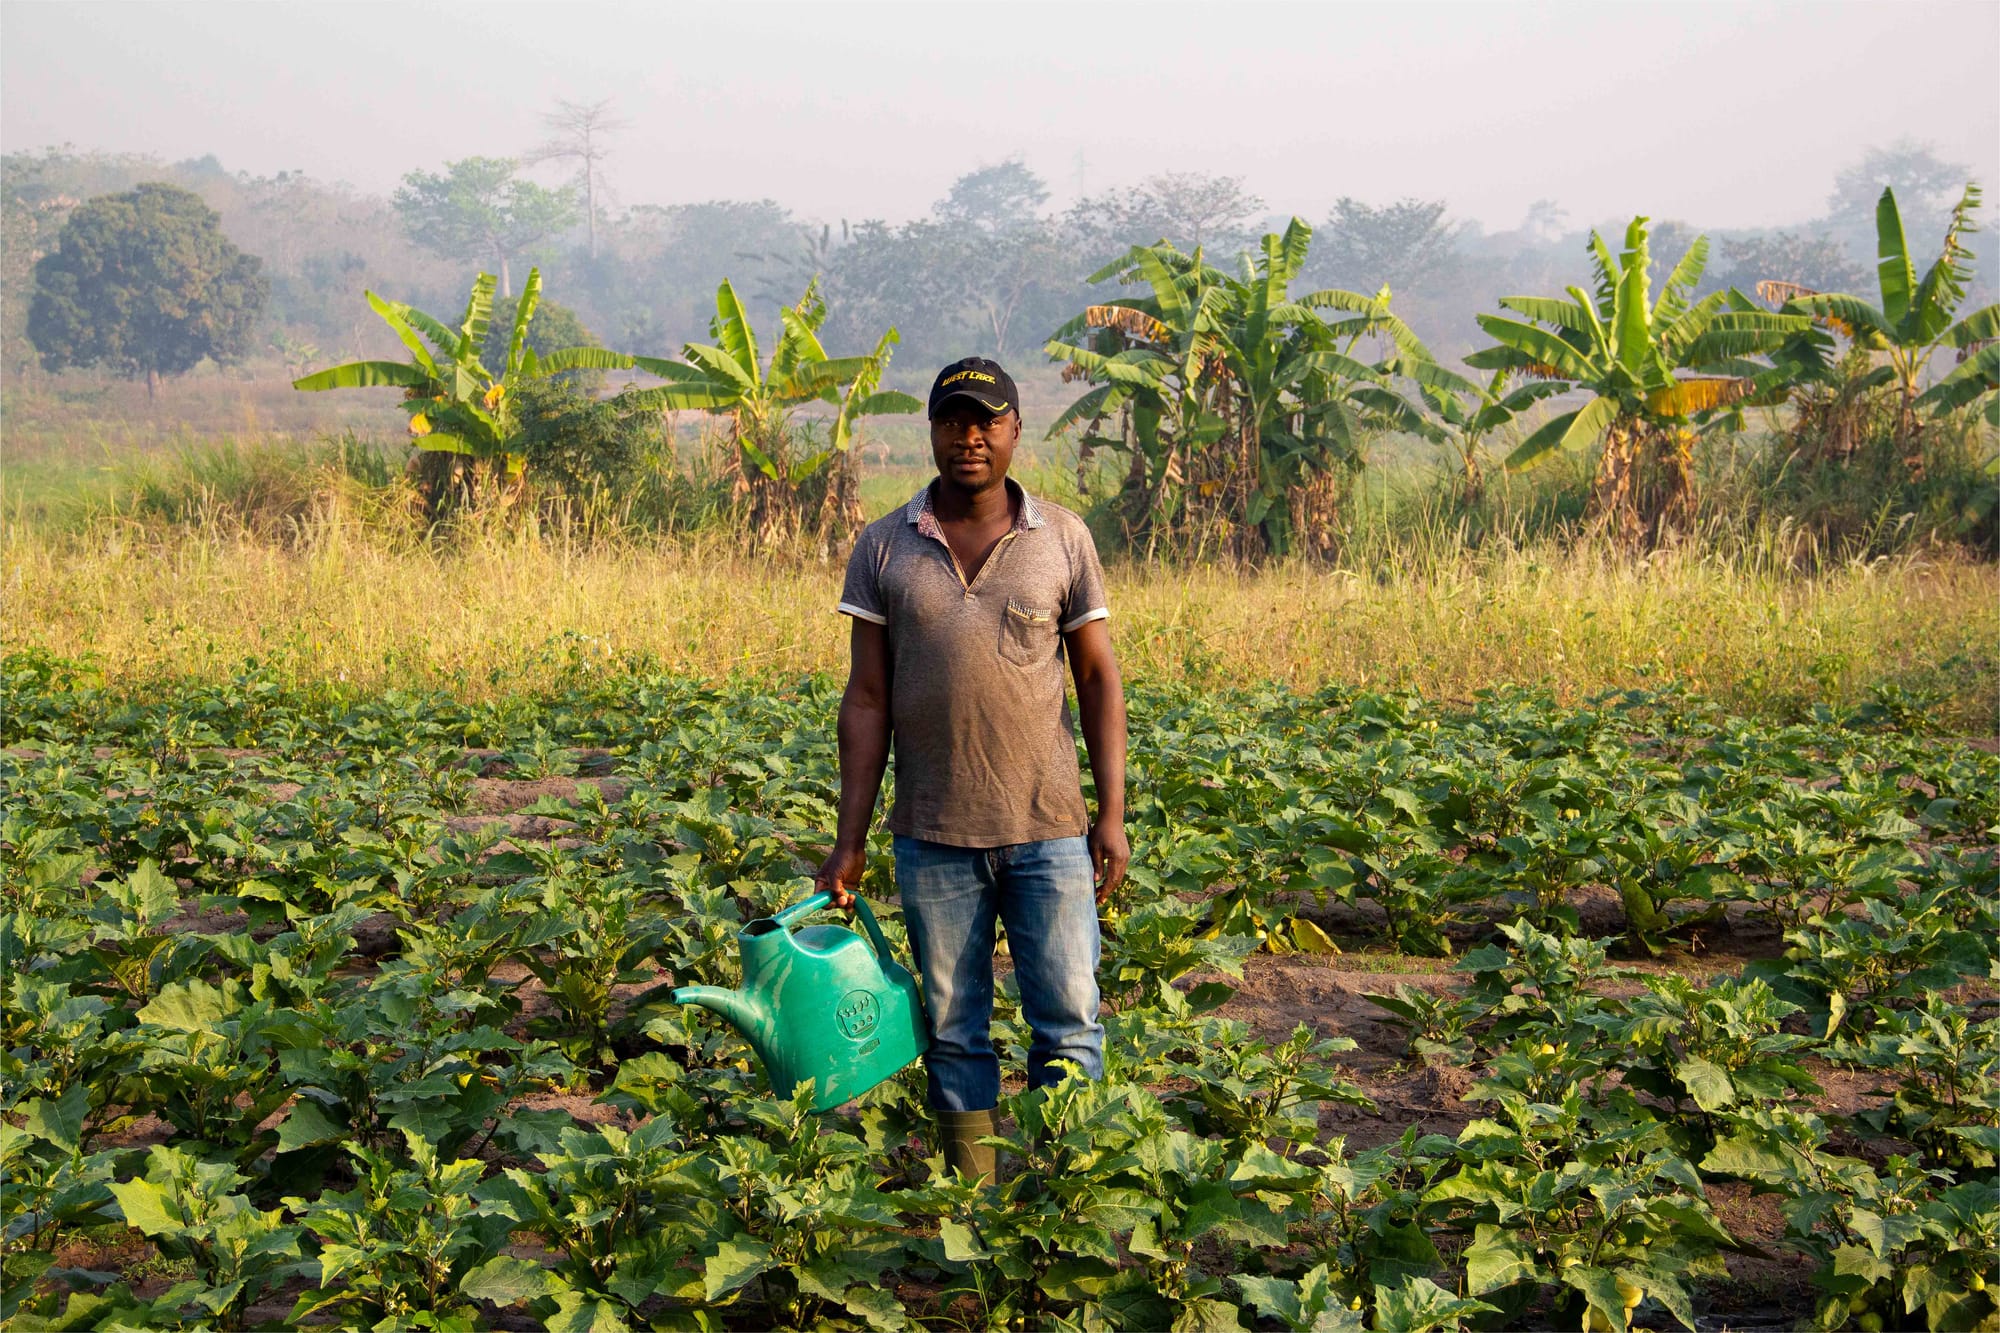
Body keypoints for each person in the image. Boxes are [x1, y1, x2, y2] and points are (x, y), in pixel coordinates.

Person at [814, 356, 1130, 1183]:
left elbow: (1097, 677)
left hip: (1049, 831)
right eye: (955, 420)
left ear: (1016, 430)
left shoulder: (1061, 539)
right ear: (932, 430)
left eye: (988, 420)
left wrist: (1112, 813)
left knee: (1067, 1022)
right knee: (955, 1028)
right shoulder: (884, 546)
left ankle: (1069, 1201)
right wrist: (850, 841)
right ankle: (976, 1210)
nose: (971, 437)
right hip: (932, 835)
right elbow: (867, 697)